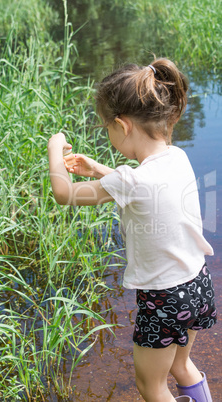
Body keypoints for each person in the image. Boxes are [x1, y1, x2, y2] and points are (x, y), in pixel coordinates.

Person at [47, 58, 217, 402]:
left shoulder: (131, 180)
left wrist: (54, 149)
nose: (109, 137)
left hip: (165, 297)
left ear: (122, 126)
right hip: (197, 284)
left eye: (107, 130)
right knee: (182, 367)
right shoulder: (177, 157)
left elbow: (64, 194)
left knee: (151, 387)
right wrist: (98, 170)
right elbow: (145, 189)